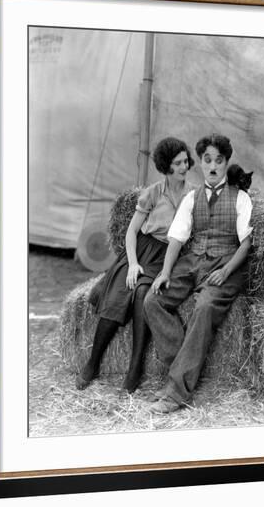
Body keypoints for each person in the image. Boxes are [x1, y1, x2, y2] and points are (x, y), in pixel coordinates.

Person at [75, 137, 195, 393]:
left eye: (186, 161)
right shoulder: (152, 193)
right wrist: (132, 264)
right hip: (142, 249)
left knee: (143, 293)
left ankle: (135, 368)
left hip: (168, 255)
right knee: (118, 293)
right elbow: (131, 233)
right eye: (178, 163)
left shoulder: (193, 195)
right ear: (166, 166)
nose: (184, 167)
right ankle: (93, 363)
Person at [143, 134, 253, 413]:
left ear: (226, 163)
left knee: (203, 308)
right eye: (207, 160)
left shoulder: (240, 198)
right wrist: (165, 273)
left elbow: (247, 242)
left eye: (219, 160)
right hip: (193, 262)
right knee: (152, 300)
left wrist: (226, 271)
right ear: (201, 164)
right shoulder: (191, 198)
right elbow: (177, 239)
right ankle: (180, 370)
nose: (213, 166)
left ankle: (176, 392)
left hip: (227, 264)